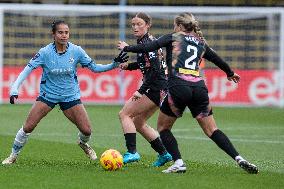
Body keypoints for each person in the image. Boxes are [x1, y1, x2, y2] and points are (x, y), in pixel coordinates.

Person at [117, 13, 259, 174]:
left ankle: (177, 162)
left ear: (178, 26)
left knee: (163, 127)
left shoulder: (174, 37)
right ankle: (239, 158)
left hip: (178, 87)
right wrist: (230, 72)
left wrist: (126, 47)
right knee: (212, 130)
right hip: (199, 88)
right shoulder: (200, 42)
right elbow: (216, 58)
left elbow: (149, 47)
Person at [2, 20, 128, 165]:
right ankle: (13, 155)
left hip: (70, 96)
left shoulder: (77, 51)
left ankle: (82, 143)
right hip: (48, 96)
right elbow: (27, 70)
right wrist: (14, 87)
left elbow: (94, 68)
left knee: (87, 130)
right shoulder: (44, 53)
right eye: (60, 32)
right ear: (53, 34)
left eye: (66, 32)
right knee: (28, 126)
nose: (64, 35)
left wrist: (114, 64)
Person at [118, 12, 172, 166]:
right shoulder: (147, 42)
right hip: (161, 88)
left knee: (124, 114)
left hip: (154, 88)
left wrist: (141, 90)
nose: (135, 27)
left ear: (148, 25)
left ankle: (132, 152)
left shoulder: (148, 43)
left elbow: (155, 71)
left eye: (139, 24)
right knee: (138, 122)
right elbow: (147, 65)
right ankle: (164, 153)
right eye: (133, 24)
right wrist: (129, 66)